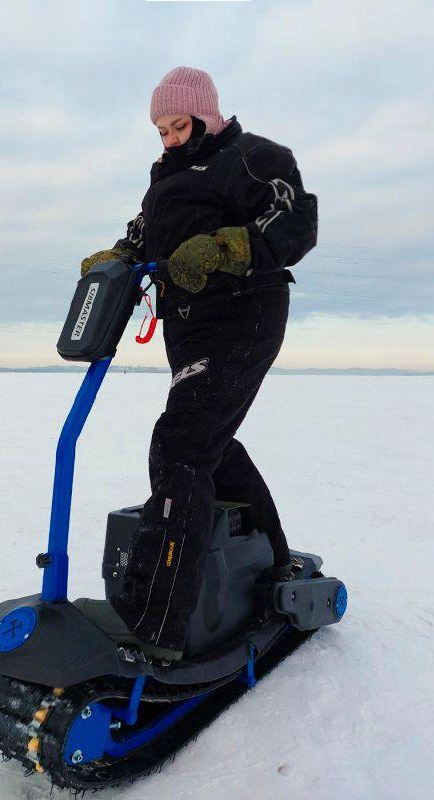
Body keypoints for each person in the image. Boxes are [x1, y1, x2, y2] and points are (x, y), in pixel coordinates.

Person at [80, 66, 318, 658]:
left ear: (205, 116)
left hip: (245, 312)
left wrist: (224, 247)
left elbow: (294, 223)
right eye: (159, 130)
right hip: (190, 326)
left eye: (177, 126)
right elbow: (145, 233)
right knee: (211, 443)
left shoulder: (252, 157)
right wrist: (118, 257)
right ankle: (274, 561)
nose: (167, 139)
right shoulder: (166, 180)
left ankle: (157, 623)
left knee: (182, 445)